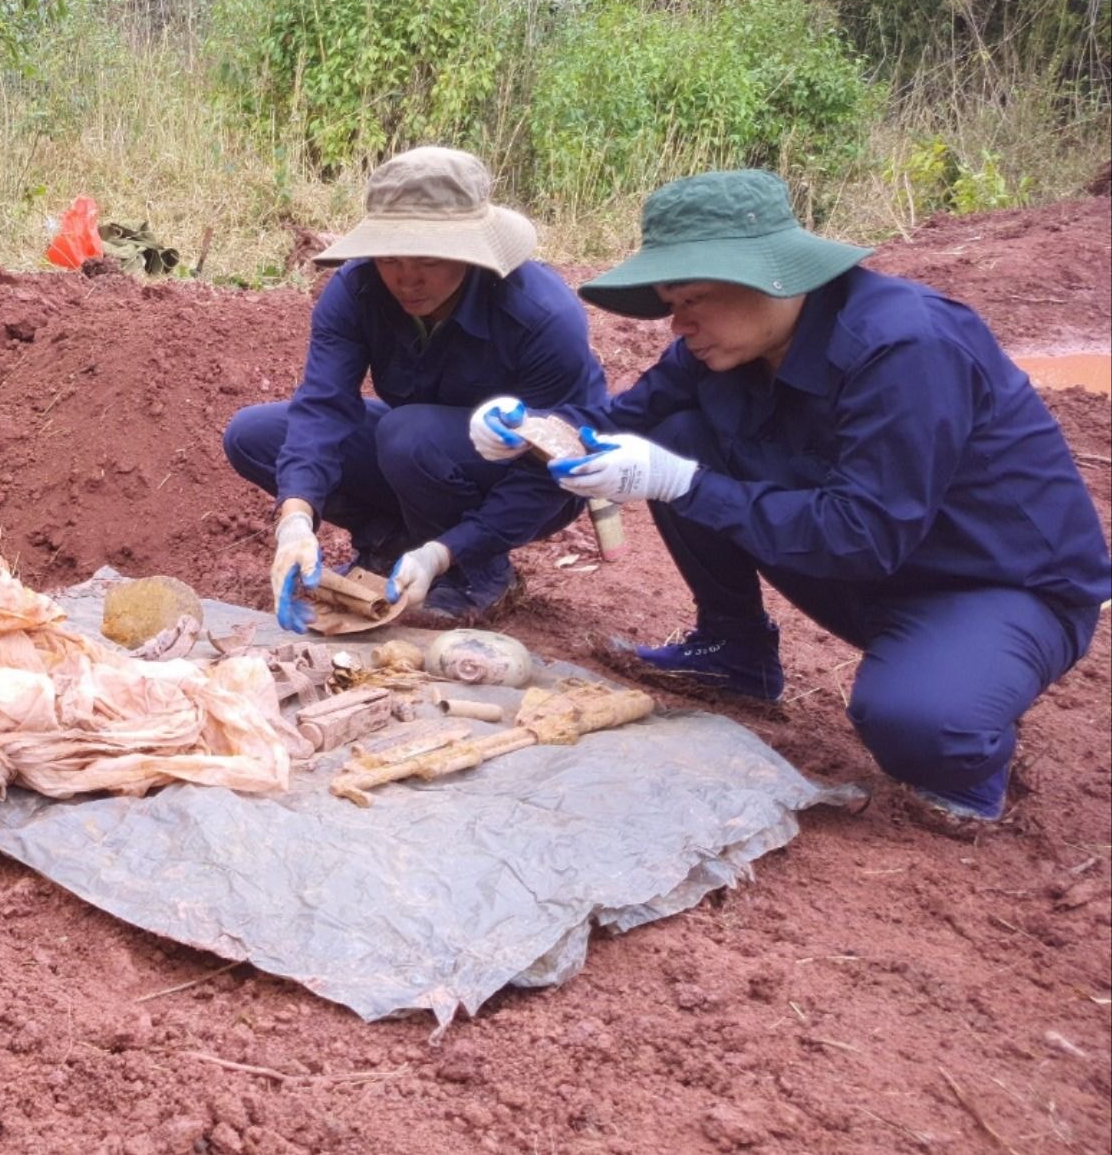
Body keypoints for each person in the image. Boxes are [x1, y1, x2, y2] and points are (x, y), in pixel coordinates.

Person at [469, 168, 1110, 823]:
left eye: (693, 299)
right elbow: (620, 424)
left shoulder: (904, 344)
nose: (678, 324)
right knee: (677, 435)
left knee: (920, 720)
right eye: (670, 303)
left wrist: (679, 481)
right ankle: (734, 651)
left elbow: (864, 535)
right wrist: (530, 429)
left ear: (770, 277)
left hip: (991, 584)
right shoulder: (721, 345)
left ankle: (968, 739)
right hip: (860, 568)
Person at [223, 145, 608, 631]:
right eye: (389, 258)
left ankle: (478, 573)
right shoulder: (357, 290)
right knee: (255, 436)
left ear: (469, 251)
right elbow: (323, 407)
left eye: (428, 259)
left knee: (408, 435)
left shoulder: (543, 316)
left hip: (531, 477)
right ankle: (390, 544)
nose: (406, 279)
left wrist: (447, 551)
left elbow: (553, 472)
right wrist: (296, 517)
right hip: (417, 453)